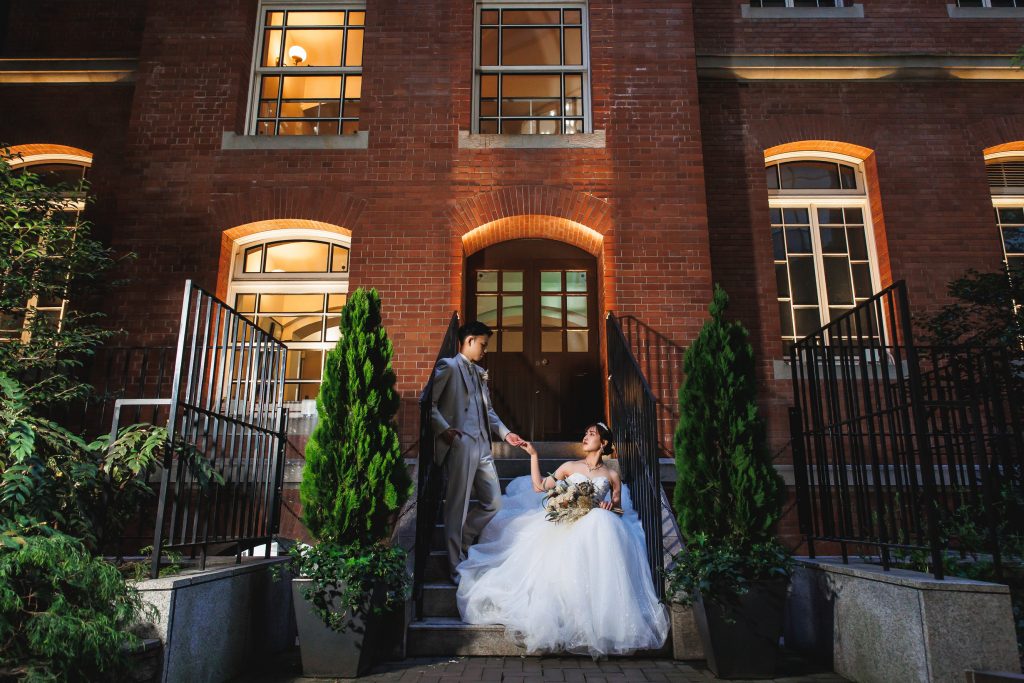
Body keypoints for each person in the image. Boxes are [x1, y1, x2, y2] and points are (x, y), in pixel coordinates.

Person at [455, 422, 670, 659]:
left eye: (592, 434)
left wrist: (609, 507)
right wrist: (534, 454)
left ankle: (601, 620)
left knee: (601, 520)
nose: (585, 437)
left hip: (598, 531)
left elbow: (619, 510)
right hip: (568, 526)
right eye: (585, 433)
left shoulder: (611, 475)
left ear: (604, 443)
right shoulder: (570, 466)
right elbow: (539, 487)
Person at [429, 320, 525, 581]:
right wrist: (445, 429)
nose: (485, 350)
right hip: (462, 443)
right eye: (483, 344)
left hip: (483, 445)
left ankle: (463, 541)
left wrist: (506, 434)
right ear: (469, 340)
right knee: (457, 506)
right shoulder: (447, 367)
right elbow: (429, 403)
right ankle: (454, 565)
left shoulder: (479, 372)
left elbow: (489, 411)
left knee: (494, 502)